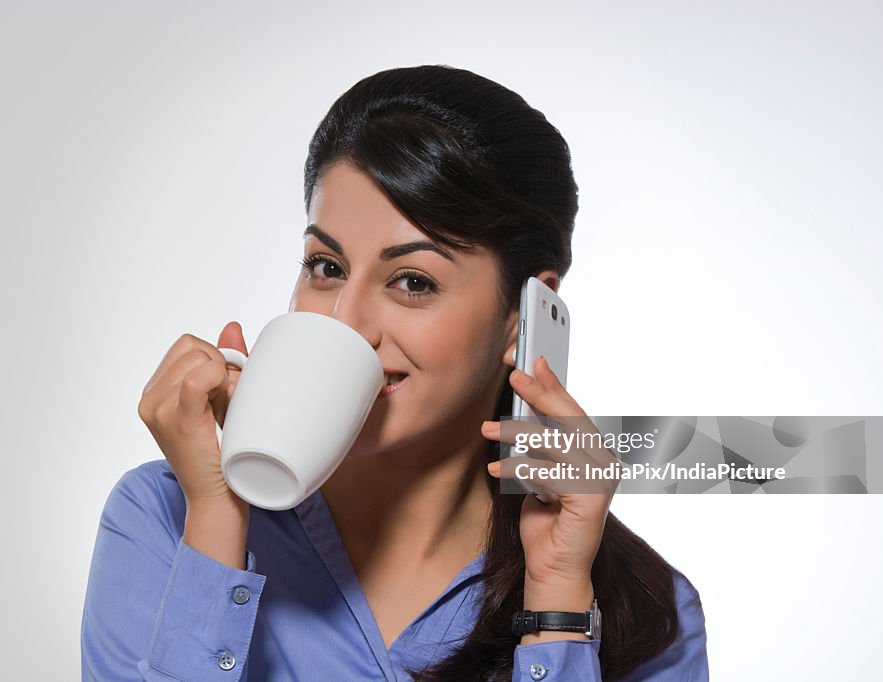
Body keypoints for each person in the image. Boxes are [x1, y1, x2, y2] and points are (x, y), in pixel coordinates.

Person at [81, 65, 709, 681]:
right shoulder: (165, 517)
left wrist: (557, 602)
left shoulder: (648, 613)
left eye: (412, 281)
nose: (346, 322)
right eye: (325, 267)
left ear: (523, 317)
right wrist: (217, 518)